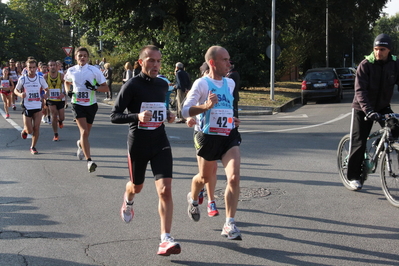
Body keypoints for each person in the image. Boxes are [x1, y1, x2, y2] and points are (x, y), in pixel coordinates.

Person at [110, 45, 180, 256]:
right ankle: (128, 200)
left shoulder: (162, 84)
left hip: (160, 141)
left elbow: (161, 106)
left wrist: (168, 114)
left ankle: (165, 239)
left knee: (165, 189)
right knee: (136, 187)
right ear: (141, 62)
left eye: (158, 61)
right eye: (151, 60)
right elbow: (115, 115)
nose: (156, 65)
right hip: (138, 143)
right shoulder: (132, 85)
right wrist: (137, 117)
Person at [182, 45, 242, 240]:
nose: (229, 63)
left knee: (233, 178)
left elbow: (227, 108)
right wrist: (206, 106)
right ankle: (193, 197)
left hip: (228, 136)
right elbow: (185, 111)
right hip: (207, 137)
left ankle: (229, 223)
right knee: (205, 178)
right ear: (212, 62)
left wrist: (233, 118)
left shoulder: (230, 83)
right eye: (225, 60)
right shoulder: (202, 84)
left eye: (229, 60)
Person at [347, 33, 399, 190]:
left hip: (382, 106)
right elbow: (360, 91)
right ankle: (354, 177)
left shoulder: (395, 65)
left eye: (382, 49)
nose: (378, 52)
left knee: (396, 129)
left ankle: (380, 143)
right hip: (362, 108)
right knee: (359, 142)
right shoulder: (365, 65)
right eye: (376, 49)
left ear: (389, 50)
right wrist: (368, 110)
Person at [64, 47, 109, 173]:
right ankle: (89, 161)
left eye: (84, 55)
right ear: (76, 57)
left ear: (88, 57)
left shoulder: (94, 70)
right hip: (77, 104)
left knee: (86, 134)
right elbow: (66, 82)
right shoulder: (71, 70)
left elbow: (106, 89)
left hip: (91, 105)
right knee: (84, 132)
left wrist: (94, 87)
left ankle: (80, 144)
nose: (82, 58)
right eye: (80, 56)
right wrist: (68, 91)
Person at [186, 61, 219, 217]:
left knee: (213, 169)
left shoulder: (222, 85)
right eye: (207, 73)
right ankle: (194, 197)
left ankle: (211, 201)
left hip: (218, 133)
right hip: (201, 133)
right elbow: (188, 108)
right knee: (204, 174)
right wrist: (189, 120)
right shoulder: (200, 85)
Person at [14, 58, 49, 154]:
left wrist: (45, 95)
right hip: (27, 106)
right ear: (27, 68)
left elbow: (46, 89)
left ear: (37, 68)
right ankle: (25, 131)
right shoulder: (23, 79)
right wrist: (20, 95)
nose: (32, 70)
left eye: (34, 67)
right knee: (30, 130)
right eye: (30, 67)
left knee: (36, 128)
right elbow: (15, 90)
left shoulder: (40, 78)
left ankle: (33, 147)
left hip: (37, 106)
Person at [44, 60, 66, 141]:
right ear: (48, 67)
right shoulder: (45, 77)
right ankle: (55, 134)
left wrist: (64, 93)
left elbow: (66, 86)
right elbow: (41, 87)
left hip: (60, 98)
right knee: (54, 115)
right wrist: (44, 93)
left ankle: (60, 121)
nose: (52, 67)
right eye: (51, 65)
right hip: (51, 99)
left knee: (62, 117)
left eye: (54, 65)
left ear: (57, 67)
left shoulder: (61, 76)